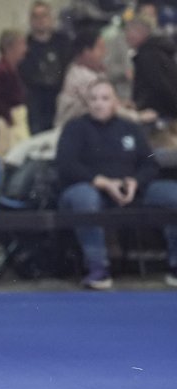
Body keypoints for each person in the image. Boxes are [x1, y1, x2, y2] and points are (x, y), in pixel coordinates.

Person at [56, 77, 177, 289]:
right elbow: (67, 165)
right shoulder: (75, 128)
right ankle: (98, 268)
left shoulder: (131, 128)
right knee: (84, 197)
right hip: (90, 189)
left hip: (131, 189)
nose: (99, 103)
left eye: (105, 98)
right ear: (87, 103)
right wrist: (102, 182)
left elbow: (149, 164)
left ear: (116, 102)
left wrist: (135, 182)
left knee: (172, 195)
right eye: (93, 99)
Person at [19, 1, 72, 134]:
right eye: (36, 17)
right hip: (36, 101)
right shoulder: (25, 45)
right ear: (30, 20)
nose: (40, 20)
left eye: (44, 16)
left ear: (51, 18)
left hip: (59, 97)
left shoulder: (63, 41)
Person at [0, 29, 29, 154]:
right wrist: (8, 115)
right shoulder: (0, 71)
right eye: (21, 44)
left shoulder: (13, 70)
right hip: (2, 129)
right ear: (10, 47)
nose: (25, 49)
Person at [125, 16, 177, 120]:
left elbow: (160, 86)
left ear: (141, 31)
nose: (126, 36)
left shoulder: (149, 55)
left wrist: (139, 104)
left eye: (129, 31)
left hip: (158, 115)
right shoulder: (155, 50)